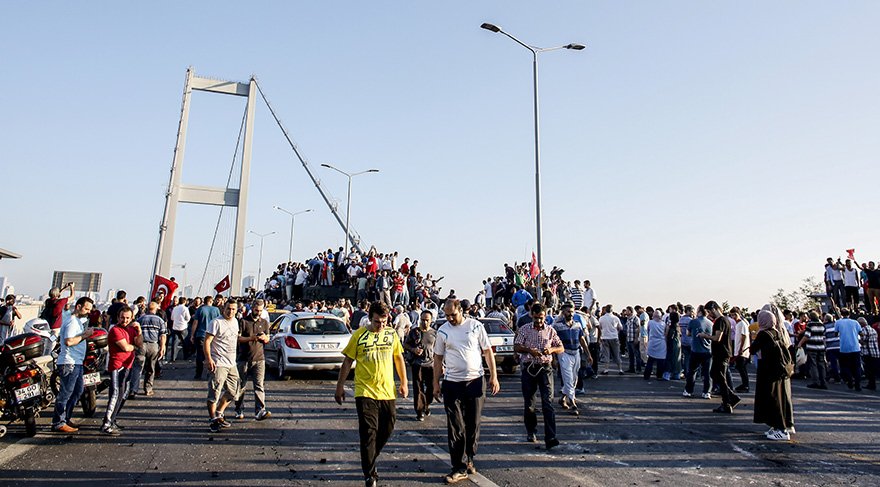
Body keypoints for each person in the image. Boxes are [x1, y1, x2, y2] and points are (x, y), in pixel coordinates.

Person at [335, 302, 408, 487]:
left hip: (387, 391)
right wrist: (340, 386)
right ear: (370, 318)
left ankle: (370, 457)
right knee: (369, 431)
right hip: (365, 390)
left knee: (388, 427)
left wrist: (404, 382)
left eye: (384, 321)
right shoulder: (359, 336)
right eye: (377, 322)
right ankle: (369, 474)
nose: (381, 325)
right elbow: (347, 361)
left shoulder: (391, 334)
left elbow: (398, 358)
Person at [432, 299, 499, 484]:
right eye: (447, 315)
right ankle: (458, 466)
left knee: (473, 423)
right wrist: (435, 383)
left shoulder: (476, 326)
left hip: (475, 382)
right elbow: (437, 358)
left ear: (461, 311)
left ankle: (469, 457)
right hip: (452, 383)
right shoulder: (443, 331)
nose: (450, 318)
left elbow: (487, 352)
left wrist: (493, 376)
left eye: (453, 314)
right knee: (455, 426)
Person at [515, 303, 563, 448]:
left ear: (545, 316)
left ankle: (551, 437)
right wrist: (529, 350)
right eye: (536, 318)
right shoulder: (524, 330)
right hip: (529, 368)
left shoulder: (550, 331)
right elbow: (517, 346)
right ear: (531, 315)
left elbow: (561, 347)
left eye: (541, 318)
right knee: (529, 403)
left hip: (545, 368)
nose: (539, 321)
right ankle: (531, 431)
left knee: (547, 402)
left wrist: (551, 349)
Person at [51, 297, 95, 433]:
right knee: (65, 393)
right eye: (86, 308)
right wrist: (85, 335)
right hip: (69, 362)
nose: (88, 312)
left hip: (77, 362)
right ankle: (58, 422)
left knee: (77, 391)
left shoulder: (77, 322)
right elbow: (69, 341)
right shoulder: (71, 322)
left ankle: (66, 418)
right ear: (78, 306)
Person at [750, 310, 795, 441]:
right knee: (779, 397)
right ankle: (779, 426)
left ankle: (780, 429)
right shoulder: (777, 332)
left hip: (768, 370)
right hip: (779, 370)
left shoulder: (763, 334)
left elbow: (753, 349)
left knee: (772, 398)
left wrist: (754, 337)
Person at [101, 307, 142, 435]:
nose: (124, 320)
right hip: (117, 366)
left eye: (127, 318)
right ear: (118, 318)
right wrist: (134, 347)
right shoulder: (115, 330)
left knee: (123, 395)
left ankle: (113, 419)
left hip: (128, 366)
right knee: (115, 394)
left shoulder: (131, 329)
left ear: (131, 318)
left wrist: (139, 331)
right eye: (122, 317)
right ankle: (107, 424)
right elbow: (125, 347)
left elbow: (139, 343)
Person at [205, 301, 242, 433]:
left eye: (233, 309)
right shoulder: (216, 322)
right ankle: (213, 419)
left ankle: (219, 412)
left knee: (234, 391)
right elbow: (207, 341)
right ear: (223, 309)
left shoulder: (236, 322)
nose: (230, 311)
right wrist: (209, 359)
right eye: (228, 309)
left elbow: (237, 339)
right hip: (218, 362)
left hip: (232, 363)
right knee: (214, 393)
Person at [699, 301, 741, 413]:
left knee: (720, 377)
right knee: (715, 374)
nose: (708, 314)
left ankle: (727, 401)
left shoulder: (720, 321)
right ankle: (729, 398)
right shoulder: (725, 320)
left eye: (709, 311)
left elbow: (717, 337)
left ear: (713, 309)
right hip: (722, 351)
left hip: (721, 352)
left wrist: (705, 336)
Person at [234, 299, 272, 421]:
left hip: (259, 358)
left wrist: (264, 338)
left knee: (259, 386)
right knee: (241, 386)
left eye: (261, 311)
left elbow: (268, 338)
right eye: (256, 310)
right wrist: (251, 338)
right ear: (252, 308)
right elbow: (238, 338)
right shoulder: (243, 322)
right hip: (244, 358)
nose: (258, 313)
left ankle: (260, 410)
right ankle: (239, 409)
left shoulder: (265, 323)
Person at [553, 301, 589, 414]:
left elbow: (582, 340)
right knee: (568, 378)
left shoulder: (577, 324)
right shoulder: (557, 326)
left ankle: (563, 398)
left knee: (574, 378)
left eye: (572, 311)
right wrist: (554, 358)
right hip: (564, 353)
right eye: (568, 311)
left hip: (576, 352)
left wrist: (588, 354)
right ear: (563, 312)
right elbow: (553, 343)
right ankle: (573, 403)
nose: (571, 314)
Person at [403, 310, 436, 421]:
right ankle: (419, 411)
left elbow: (439, 350)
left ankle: (426, 404)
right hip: (417, 364)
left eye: (427, 320)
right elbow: (406, 344)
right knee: (418, 388)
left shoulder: (434, 333)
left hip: (430, 365)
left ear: (431, 321)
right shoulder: (414, 332)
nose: (424, 322)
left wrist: (442, 364)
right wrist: (413, 349)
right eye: (422, 320)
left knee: (431, 388)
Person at [130, 301, 167, 398]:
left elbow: (134, 332)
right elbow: (163, 335)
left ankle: (133, 390)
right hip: (153, 345)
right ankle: (148, 389)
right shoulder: (160, 320)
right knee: (151, 368)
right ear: (156, 308)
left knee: (137, 367)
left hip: (141, 345)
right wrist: (162, 347)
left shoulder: (141, 319)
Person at [683, 306, 713, 399]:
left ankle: (688, 390)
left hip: (695, 350)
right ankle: (706, 391)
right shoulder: (710, 323)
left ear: (699, 311)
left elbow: (688, 333)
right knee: (707, 373)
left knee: (692, 371)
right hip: (707, 350)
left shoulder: (693, 321)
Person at [190, 296, 221, 380]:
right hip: (213, 336)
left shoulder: (200, 309)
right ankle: (210, 372)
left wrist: (192, 335)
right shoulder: (216, 310)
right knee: (211, 355)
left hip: (201, 335)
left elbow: (195, 323)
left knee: (200, 355)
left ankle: (198, 374)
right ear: (211, 301)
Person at [797, 311, 828, 389]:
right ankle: (823, 382)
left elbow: (807, 336)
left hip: (812, 347)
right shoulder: (822, 325)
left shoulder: (810, 325)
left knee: (813, 365)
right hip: (821, 347)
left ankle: (815, 382)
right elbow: (824, 337)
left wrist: (800, 343)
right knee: (821, 365)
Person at [834, 308, 862, 391]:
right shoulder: (855, 322)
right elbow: (860, 332)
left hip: (844, 347)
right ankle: (858, 384)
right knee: (857, 367)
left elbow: (836, 333)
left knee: (845, 366)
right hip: (855, 347)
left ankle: (849, 380)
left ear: (841, 314)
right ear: (849, 314)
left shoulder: (838, 322)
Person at [598, 305, 624, 375]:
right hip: (614, 337)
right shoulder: (616, 318)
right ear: (612, 310)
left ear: (605, 310)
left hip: (605, 337)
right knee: (617, 354)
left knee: (606, 354)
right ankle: (620, 369)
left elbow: (600, 327)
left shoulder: (601, 318)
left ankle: (606, 369)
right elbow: (621, 328)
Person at [731, 307, 751, 393]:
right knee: (740, 368)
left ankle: (745, 385)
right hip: (738, 348)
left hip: (742, 350)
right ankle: (744, 384)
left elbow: (744, 336)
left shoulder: (742, 324)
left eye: (735, 314)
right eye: (732, 315)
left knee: (742, 368)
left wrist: (741, 348)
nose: (733, 317)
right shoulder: (737, 324)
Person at [644, 310, 667, 380]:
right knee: (661, 361)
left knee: (650, 360)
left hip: (652, 342)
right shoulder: (664, 324)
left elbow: (648, 330)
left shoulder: (650, 322)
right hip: (661, 343)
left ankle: (647, 375)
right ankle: (659, 375)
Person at [168, 296, 191, 362]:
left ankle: (173, 358)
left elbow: (172, 318)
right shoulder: (185, 308)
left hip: (175, 327)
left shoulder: (175, 308)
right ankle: (185, 356)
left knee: (174, 343)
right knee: (185, 342)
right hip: (183, 327)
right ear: (185, 301)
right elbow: (188, 318)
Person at [859, 317, 879, 390]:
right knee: (873, 370)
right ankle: (872, 384)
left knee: (869, 370)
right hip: (875, 351)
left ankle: (871, 385)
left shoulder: (864, 330)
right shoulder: (873, 329)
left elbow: (862, 340)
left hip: (868, 352)